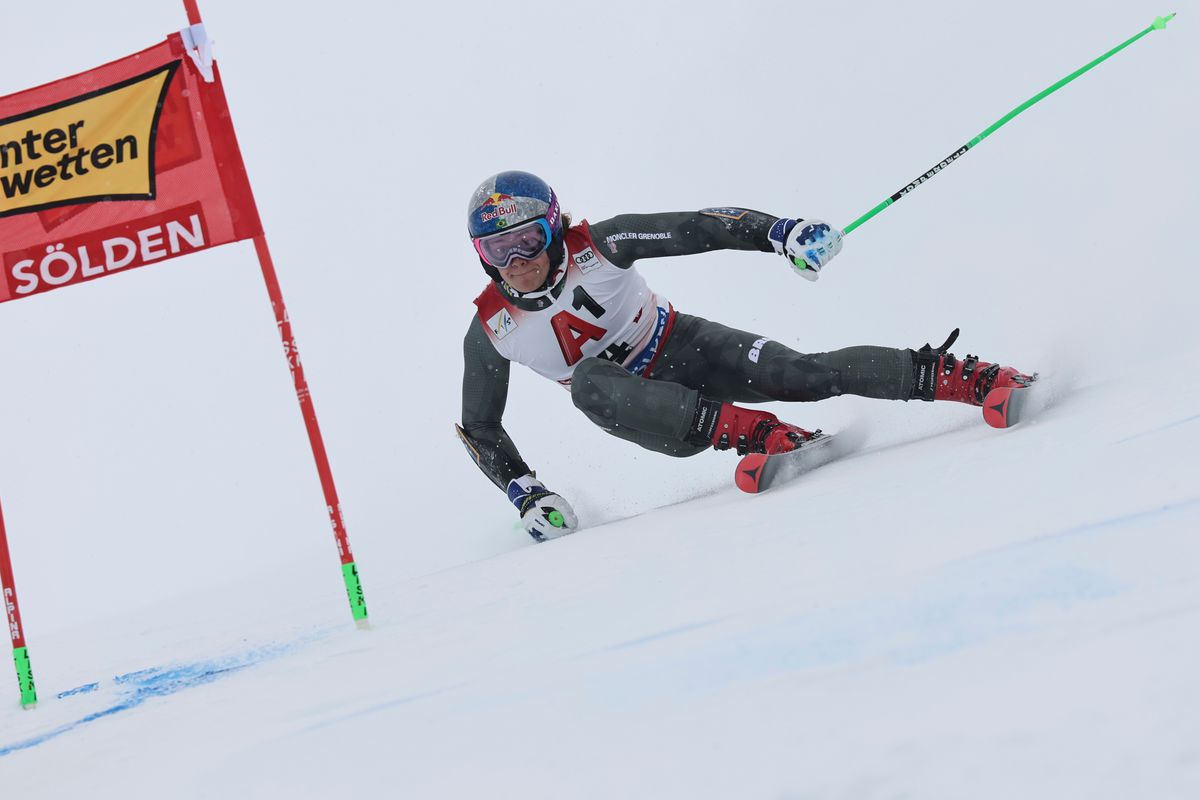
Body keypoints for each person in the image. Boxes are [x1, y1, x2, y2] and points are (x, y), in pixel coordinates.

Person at [456, 171, 1031, 541]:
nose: (517, 260)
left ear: (553, 228)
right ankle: (759, 434)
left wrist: (781, 232)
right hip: (650, 416)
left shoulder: (602, 244)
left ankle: (973, 379)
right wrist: (525, 492)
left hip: (685, 345)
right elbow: (480, 425)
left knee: (801, 374)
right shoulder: (491, 329)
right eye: (497, 249)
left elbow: (696, 228)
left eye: (527, 239)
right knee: (588, 381)